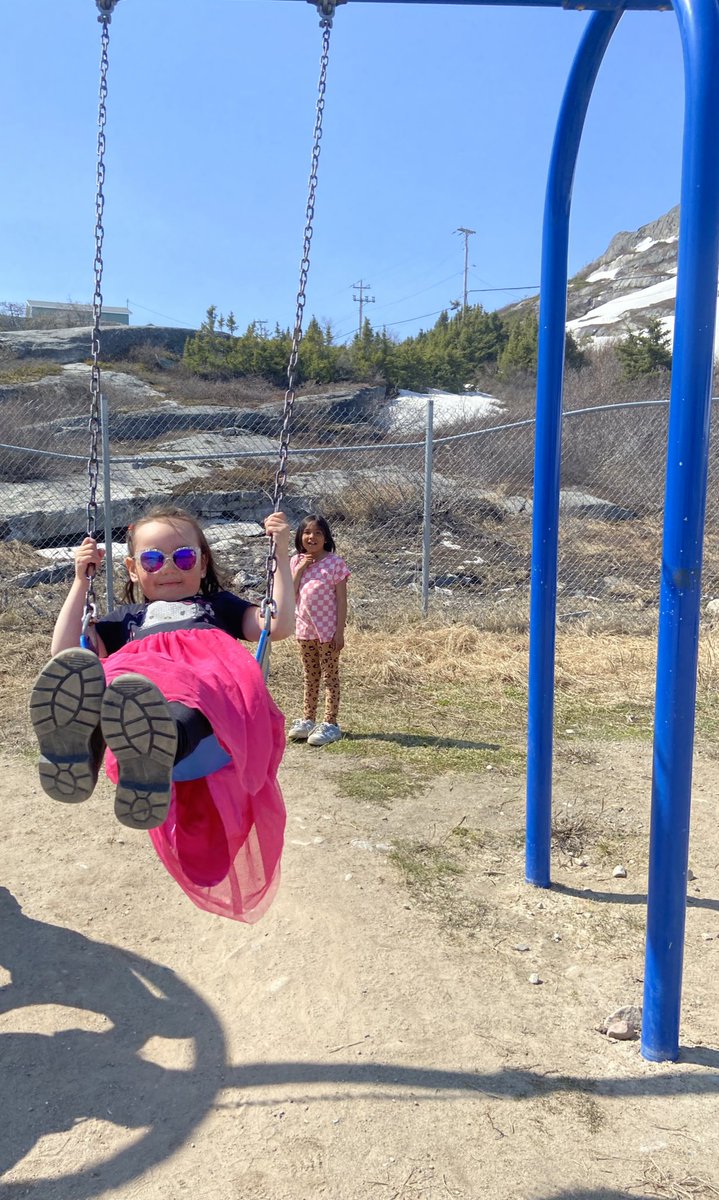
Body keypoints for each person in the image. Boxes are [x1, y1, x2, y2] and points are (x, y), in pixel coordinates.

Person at [30, 504, 294, 922]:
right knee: (110, 680)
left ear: (202, 562)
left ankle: (156, 742)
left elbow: (275, 626)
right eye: (153, 559)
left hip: (209, 685)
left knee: (195, 693)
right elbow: (65, 652)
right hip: (140, 681)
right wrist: (81, 582)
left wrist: (280, 552)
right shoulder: (126, 621)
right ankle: (83, 748)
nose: (169, 568)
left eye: (183, 557)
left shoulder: (219, 606)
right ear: (134, 569)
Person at [287, 514, 349, 747]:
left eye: (318, 533)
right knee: (310, 675)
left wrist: (339, 631)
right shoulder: (296, 562)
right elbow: (290, 594)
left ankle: (330, 723)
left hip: (327, 632)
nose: (312, 537)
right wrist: (301, 569)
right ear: (300, 537)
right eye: (307, 533)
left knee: (330, 676)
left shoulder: (335, 564)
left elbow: (342, 601)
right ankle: (308, 719)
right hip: (305, 631)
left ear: (326, 538)